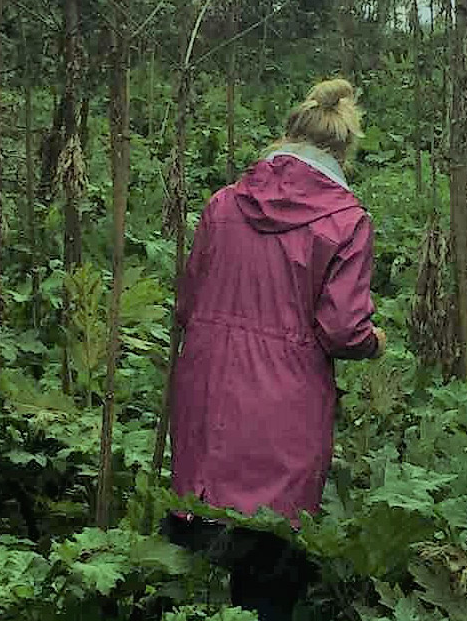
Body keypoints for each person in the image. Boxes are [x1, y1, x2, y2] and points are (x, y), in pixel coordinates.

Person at [164, 78, 386, 621]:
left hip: (208, 394)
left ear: (287, 136)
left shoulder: (222, 205)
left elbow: (188, 304)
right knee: (270, 566)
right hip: (285, 408)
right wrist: (374, 342)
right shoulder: (346, 221)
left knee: (194, 551)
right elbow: (343, 330)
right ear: (342, 153)